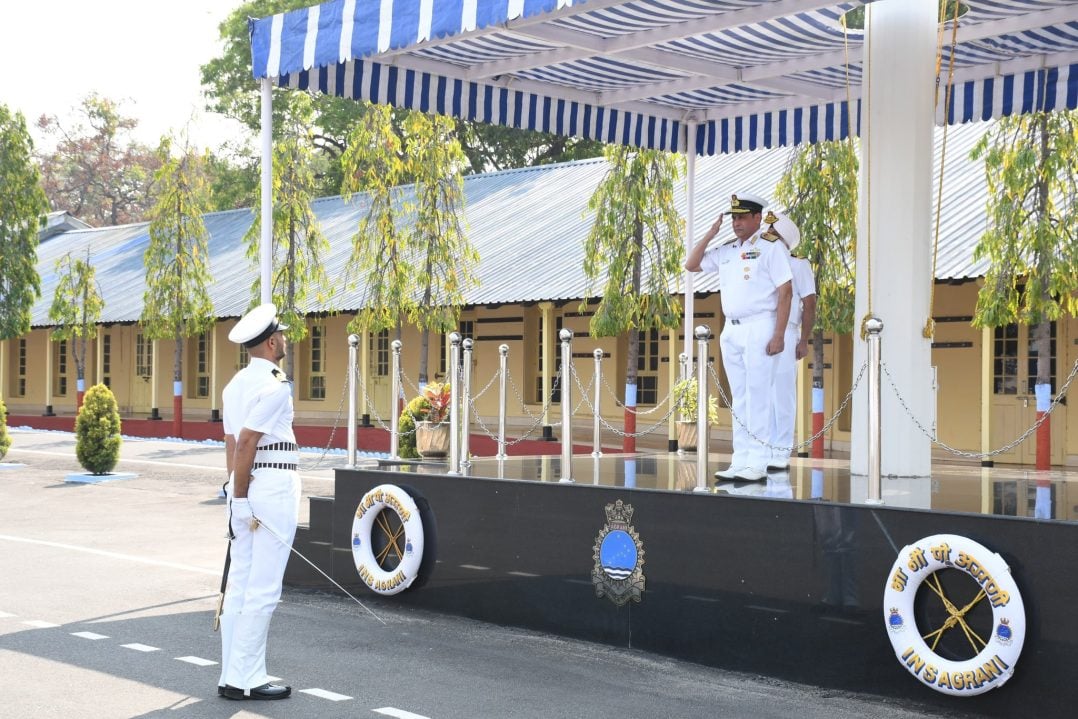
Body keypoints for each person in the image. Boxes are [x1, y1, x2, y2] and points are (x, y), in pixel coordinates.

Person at [217, 303, 299, 701]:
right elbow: (247, 440)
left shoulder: (233, 386)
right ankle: (245, 678)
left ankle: (232, 673)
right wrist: (243, 498)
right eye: (281, 334)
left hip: (246, 484)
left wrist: (235, 491)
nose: (284, 338)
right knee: (264, 587)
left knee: (240, 584)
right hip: (271, 483)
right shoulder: (277, 383)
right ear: (271, 342)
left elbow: (232, 444)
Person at [685, 193, 793, 481]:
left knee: (758, 395)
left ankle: (757, 462)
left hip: (760, 326)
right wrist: (710, 233)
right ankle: (740, 459)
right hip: (731, 330)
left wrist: (779, 334)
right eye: (734, 217)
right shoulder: (728, 249)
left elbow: (786, 292)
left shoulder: (771, 248)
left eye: (742, 217)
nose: (737, 222)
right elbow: (691, 264)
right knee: (740, 398)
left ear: (758, 218)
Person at [762, 212, 817, 471]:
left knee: (782, 394)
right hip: (761, 329)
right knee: (761, 393)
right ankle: (762, 448)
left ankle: (781, 451)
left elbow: (809, 303)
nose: (767, 237)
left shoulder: (798, 264)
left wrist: (804, 339)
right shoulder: (761, 259)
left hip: (787, 332)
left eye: (772, 233)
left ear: (783, 238)